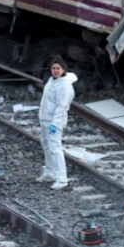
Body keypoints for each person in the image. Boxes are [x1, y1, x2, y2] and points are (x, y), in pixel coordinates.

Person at [38, 55, 77, 190]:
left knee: (55, 149)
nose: (55, 71)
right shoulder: (52, 80)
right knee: (46, 147)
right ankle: (50, 172)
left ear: (63, 69)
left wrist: (55, 123)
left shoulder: (64, 85)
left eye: (58, 68)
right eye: (53, 68)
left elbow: (61, 106)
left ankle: (62, 178)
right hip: (45, 119)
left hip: (54, 122)